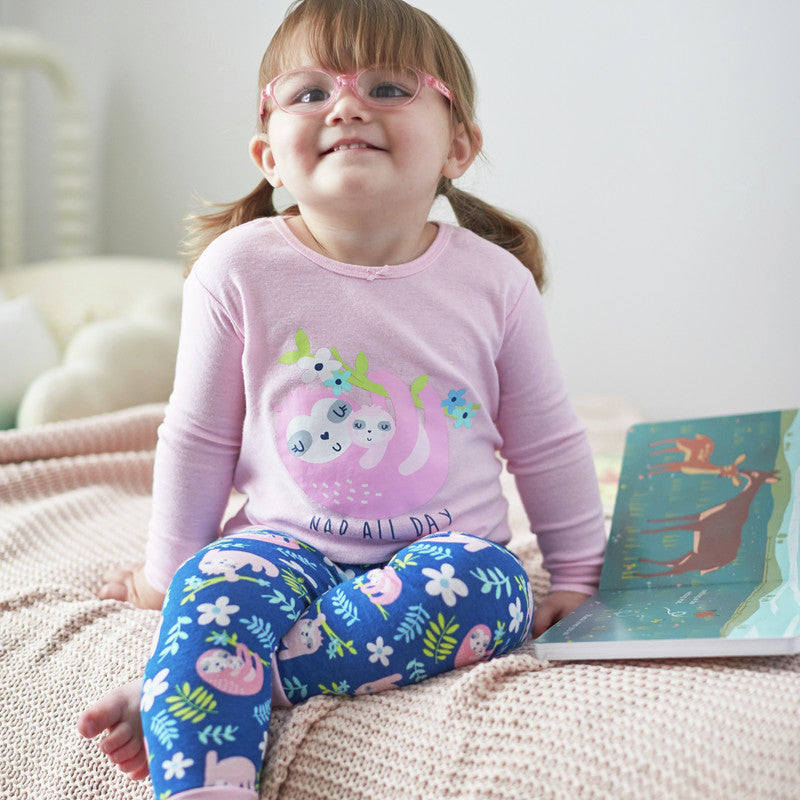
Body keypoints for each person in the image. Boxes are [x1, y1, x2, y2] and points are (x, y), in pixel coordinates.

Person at [78, 0, 606, 797]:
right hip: (280, 545)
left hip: (441, 557)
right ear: (268, 155)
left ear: (458, 146)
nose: (348, 103)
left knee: (496, 592)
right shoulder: (237, 270)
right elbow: (196, 438)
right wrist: (167, 571)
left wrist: (578, 575)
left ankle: (210, 682)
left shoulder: (494, 283)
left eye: (391, 87)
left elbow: (549, 441)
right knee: (213, 588)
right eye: (310, 92)